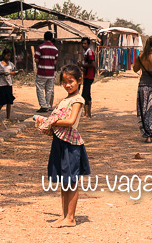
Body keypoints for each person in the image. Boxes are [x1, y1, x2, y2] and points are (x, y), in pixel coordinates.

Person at [36, 65, 89, 228]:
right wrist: (47, 122)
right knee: (64, 181)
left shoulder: (78, 100)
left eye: (71, 81)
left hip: (70, 144)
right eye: (64, 82)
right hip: (59, 142)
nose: (67, 85)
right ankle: (64, 215)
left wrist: (50, 122)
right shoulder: (65, 100)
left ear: (79, 81)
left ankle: (71, 218)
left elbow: (71, 121)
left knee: (71, 181)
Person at [35, 31, 59, 112]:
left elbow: (36, 60)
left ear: (44, 38)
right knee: (49, 90)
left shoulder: (40, 47)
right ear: (52, 38)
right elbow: (55, 62)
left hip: (42, 71)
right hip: (51, 72)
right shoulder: (55, 49)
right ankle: (48, 105)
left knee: (40, 88)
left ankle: (43, 105)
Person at [78, 37, 96, 118]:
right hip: (87, 75)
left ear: (88, 44)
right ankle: (88, 113)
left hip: (89, 76)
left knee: (84, 94)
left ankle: (86, 114)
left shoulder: (89, 53)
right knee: (88, 94)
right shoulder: (86, 53)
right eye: (82, 43)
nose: (83, 45)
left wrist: (82, 65)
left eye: (85, 43)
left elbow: (92, 64)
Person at [0, 50, 18, 120]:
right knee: (1, 103)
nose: (9, 57)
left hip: (9, 84)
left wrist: (17, 72)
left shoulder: (11, 64)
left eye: (9, 56)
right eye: (7, 55)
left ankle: (8, 117)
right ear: (4, 55)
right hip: (2, 85)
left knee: (9, 102)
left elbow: (13, 73)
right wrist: (2, 73)